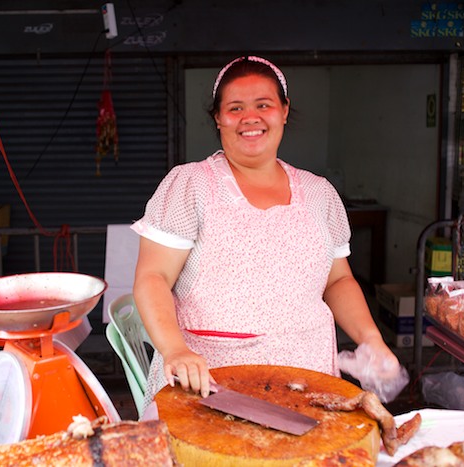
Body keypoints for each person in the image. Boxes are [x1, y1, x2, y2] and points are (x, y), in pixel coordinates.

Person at [131, 56, 399, 410]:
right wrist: (174, 349)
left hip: (305, 380)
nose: (250, 118)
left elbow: (338, 281)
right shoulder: (190, 185)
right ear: (218, 117)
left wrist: (370, 339)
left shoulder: (319, 193)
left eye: (263, 105)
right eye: (235, 108)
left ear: (284, 111)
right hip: (209, 383)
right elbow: (153, 276)